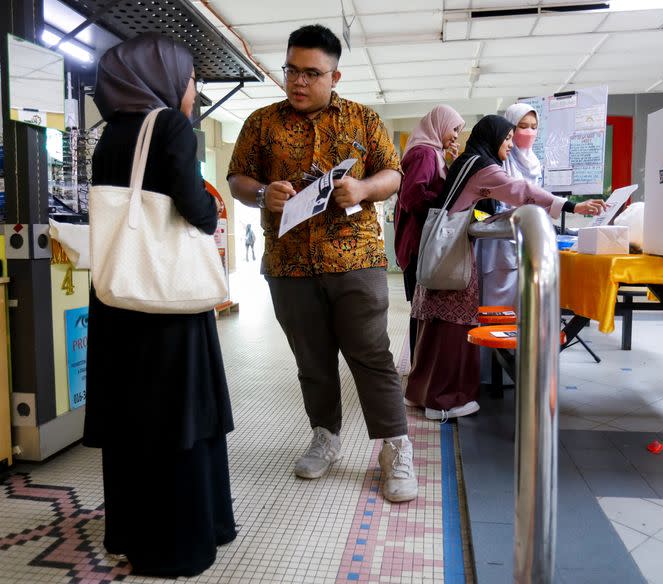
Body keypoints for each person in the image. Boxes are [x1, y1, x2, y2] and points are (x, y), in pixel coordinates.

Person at [227, 25, 417, 503]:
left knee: (371, 356)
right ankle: (326, 437)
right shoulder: (261, 123)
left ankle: (395, 448)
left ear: (335, 75)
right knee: (311, 360)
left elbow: (392, 173)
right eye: (292, 69)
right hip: (289, 265)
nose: (298, 81)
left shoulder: (363, 119)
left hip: (355, 258)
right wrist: (259, 193)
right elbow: (237, 178)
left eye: (312, 73)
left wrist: (365, 188)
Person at [84, 33, 235, 577]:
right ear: (164, 78)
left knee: (132, 419)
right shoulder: (169, 126)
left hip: (120, 297)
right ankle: (184, 540)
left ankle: (131, 533)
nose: (192, 88)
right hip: (167, 305)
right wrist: (210, 212)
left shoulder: (109, 135)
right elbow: (196, 208)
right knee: (178, 415)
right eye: (190, 77)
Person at [406, 115, 605, 421]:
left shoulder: (465, 161)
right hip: (454, 259)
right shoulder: (483, 168)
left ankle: (422, 395)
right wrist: (570, 206)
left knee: (434, 329)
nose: (511, 145)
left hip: (438, 253)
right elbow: (521, 191)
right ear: (494, 137)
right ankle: (445, 401)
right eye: (509, 137)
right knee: (455, 331)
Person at [394, 105, 465, 369]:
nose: (456, 136)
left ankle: (419, 366)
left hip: (419, 242)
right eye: (454, 129)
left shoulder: (432, 153)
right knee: (420, 309)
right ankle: (419, 368)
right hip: (418, 244)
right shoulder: (424, 153)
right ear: (439, 125)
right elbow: (412, 196)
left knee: (421, 308)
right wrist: (445, 205)